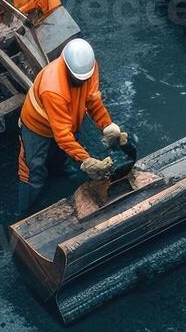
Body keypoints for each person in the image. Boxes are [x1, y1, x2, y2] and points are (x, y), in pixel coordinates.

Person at [16, 38, 129, 215]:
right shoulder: (53, 88)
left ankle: (59, 170)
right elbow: (62, 136)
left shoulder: (88, 68)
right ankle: (25, 209)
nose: (81, 82)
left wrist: (107, 125)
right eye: (77, 79)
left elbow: (92, 100)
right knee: (33, 168)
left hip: (68, 120)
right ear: (67, 69)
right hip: (38, 128)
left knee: (60, 155)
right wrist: (86, 160)